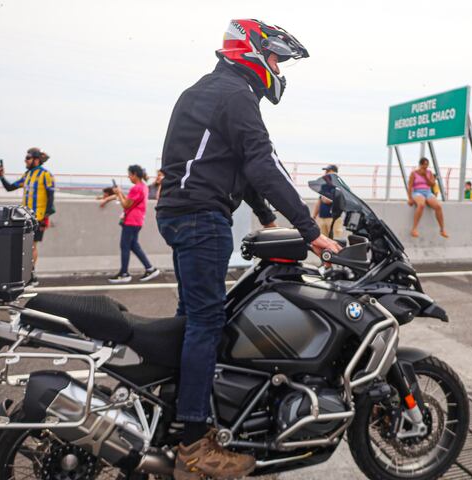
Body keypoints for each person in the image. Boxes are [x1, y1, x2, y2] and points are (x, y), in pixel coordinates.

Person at [156, 19, 340, 480]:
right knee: (206, 321)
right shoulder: (235, 94)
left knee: (192, 317)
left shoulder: (210, 89)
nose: (278, 67)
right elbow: (262, 161)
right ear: (254, 53)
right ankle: (194, 448)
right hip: (201, 216)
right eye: (276, 57)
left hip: (183, 212)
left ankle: (176, 413)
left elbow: (233, 161)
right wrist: (309, 230)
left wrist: (265, 217)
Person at [0, 147, 55, 286]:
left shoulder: (45, 174)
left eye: (28, 158)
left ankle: (31, 275)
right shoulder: (27, 175)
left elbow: (50, 196)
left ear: (36, 160)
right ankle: (26, 274)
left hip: (39, 216)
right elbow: (10, 188)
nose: (25, 160)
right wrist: (1, 176)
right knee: (24, 246)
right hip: (26, 216)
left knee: (32, 246)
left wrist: (45, 215)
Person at [102, 165, 161, 284]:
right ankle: (150, 268)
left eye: (129, 174)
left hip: (131, 221)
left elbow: (126, 205)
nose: (128, 176)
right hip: (138, 220)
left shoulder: (136, 188)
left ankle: (124, 273)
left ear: (134, 175)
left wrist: (118, 193)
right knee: (133, 245)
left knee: (125, 246)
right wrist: (120, 193)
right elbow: (129, 201)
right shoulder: (143, 187)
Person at [407, 157, 448, 238]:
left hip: (428, 192)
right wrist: (410, 198)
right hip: (418, 192)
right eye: (424, 165)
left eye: (427, 165)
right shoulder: (414, 173)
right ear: (420, 165)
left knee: (438, 206)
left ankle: (442, 229)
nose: (425, 167)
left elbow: (432, 184)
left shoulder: (429, 173)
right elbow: (410, 186)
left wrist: (425, 176)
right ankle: (414, 229)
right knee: (421, 205)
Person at [312, 164, 344, 238]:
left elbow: (328, 200)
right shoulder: (324, 185)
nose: (326, 173)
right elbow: (320, 200)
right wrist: (314, 216)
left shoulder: (338, 185)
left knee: (335, 240)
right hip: (322, 218)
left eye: (328, 171)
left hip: (333, 219)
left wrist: (326, 199)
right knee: (323, 240)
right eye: (326, 171)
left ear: (334, 172)